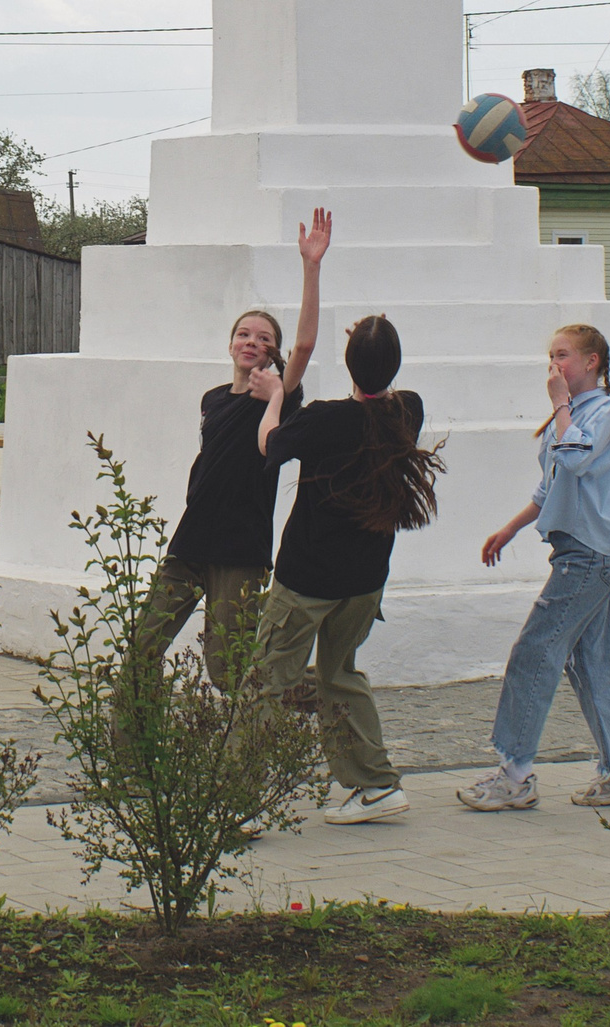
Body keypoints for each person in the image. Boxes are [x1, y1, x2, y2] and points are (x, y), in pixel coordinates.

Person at [251, 308, 446, 825]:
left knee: (268, 679)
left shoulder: (325, 418)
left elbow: (270, 442)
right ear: (395, 366)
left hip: (307, 578)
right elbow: (383, 390)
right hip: (364, 583)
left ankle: (241, 794)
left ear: (348, 363)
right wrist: (371, 349)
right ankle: (377, 785)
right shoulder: (407, 412)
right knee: (339, 675)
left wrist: (274, 396)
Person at [132, 208, 328, 688]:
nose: (251, 342)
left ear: (272, 352)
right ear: (230, 344)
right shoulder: (213, 399)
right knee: (140, 653)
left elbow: (303, 345)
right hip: (191, 542)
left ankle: (302, 703)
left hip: (239, 552)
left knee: (229, 673)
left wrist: (311, 266)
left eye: (263, 338)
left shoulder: (280, 395)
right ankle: (136, 758)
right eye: (244, 334)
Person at [456, 323, 610, 812]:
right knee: (591, 664)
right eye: (551, 356)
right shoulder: (575, 413)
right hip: (582, 551)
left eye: (562, 355)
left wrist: (560, 404)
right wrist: (511, 528)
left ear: (591, 362)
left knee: (535, 652)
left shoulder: (603, 411)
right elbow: (552, 486)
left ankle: (515, 774)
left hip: (590, 555)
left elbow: (575, 459)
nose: (553, 365)